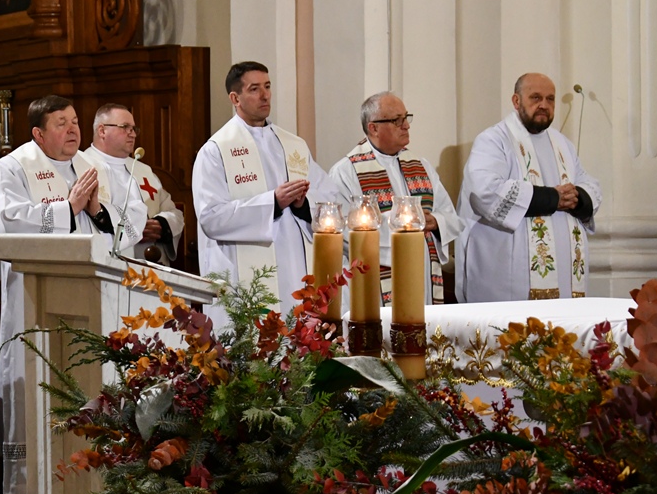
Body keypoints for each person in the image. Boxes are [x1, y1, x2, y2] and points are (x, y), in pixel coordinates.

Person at [0, 95, 142, 494]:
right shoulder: (12, 167)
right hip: (36, 299)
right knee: (37, 380)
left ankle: (91, 479)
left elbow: (132, 222)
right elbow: (9, 222)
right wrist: (67, 208)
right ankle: (32, 487)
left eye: (75, 121)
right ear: (38, 134)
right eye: (61, 123)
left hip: (93, 297)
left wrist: (98, 211)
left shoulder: (94, 167)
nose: (73, 129)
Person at [192, 61, 344, 324]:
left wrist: (302, 205)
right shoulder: (216, 150)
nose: (265, 96)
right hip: (245, 277)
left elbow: (330, 198)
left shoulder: (293, 144)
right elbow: (211, 217)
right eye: (254, 89)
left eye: (267, 86)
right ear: (235, 98)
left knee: (298, 339)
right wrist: (272, 202)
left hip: (296, 268)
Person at [456, 73, 602, 302]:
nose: (544, 105)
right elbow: (485, 191)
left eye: (550, 99)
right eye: (536, 98)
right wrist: (553, 198)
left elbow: (588, 183)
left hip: (565, 283)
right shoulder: (494, 140)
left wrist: (578, 198)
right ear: (516, 101)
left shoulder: (562, 144)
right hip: (508, 283)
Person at [329, 92, 463, 305]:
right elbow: (344, 230)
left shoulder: (420, 165)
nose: (406, 126)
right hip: (375, 278)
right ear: (373, 128)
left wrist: (435, 221)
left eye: (406, 117)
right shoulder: (346, 171)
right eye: (397, 120)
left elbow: (450, 215)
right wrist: (400, 226)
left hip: (422, 272)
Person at [83, 103, 182, 262]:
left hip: (153, 262)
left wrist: (161, 225)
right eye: (125, 127)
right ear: (102, 131)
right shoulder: (82, 166)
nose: (133, 134)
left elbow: (173, 211)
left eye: (134, 129)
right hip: (110, 263)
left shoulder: (143, 171)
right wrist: (135, 228)